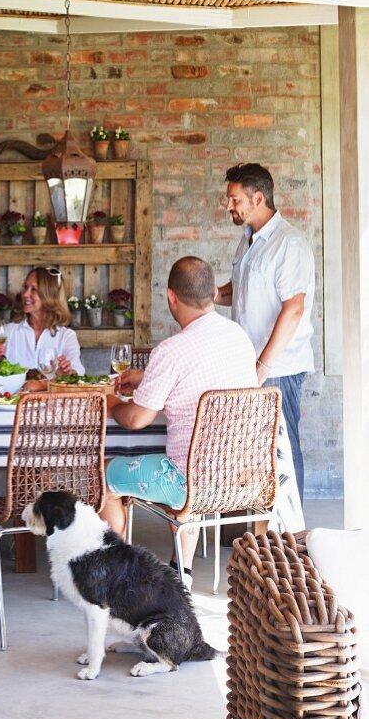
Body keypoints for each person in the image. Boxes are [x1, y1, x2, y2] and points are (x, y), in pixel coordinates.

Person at [103, 257, 258, 586]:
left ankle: (116, 580)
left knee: (104, 476)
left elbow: (135, 420)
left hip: (189, 482)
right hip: (240, 474)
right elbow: (203, 379)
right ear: (214, 294)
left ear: (171, 297)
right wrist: (147, 377)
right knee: (191, 463)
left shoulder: (172, 350)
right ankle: (180, 575)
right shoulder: (239, 338)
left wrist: (112, 402)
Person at [215, 163, 315, 503]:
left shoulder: (289, 243)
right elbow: (239, 290)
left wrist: (262, 368)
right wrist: (210, 295)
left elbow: (294, 309)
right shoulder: (247, 241)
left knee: (284, 450)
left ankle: (293, 539)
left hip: (279, 369)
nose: (229, 206)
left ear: (258, 198)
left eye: (234, 199)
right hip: (252, 366)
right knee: (257, 451)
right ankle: (262, 536)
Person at [0, 266, 84, 375]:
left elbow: (77, 373)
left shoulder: (66, 336)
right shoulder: (8, 332)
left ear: (49, 295)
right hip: (13, 393)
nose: (25, 294)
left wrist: (67, 372)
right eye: (26, 287)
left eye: (33, 289)